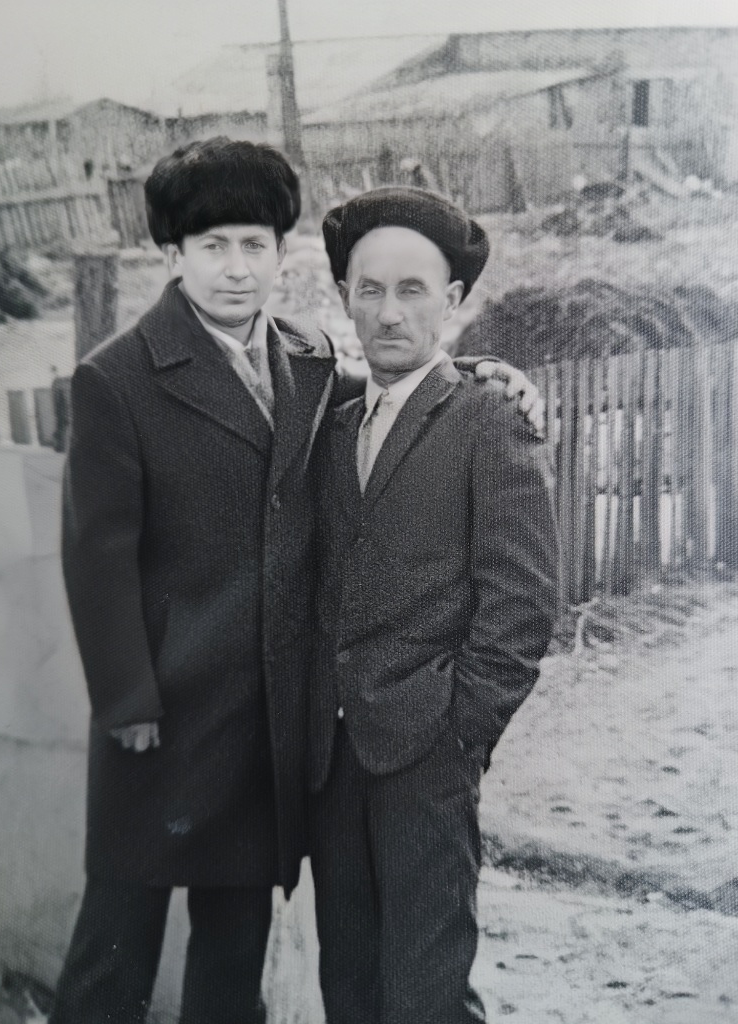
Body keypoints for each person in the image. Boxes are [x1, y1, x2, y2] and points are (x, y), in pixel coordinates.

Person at [52, 139, 540, 1024]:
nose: (236, 269)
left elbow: (402, 387)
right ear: (171, 254)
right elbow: (95, 554)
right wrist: (127, 702)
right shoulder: (117, 378)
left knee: (234, 954)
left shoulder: (306, 361)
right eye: (212, 247)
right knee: (115, 949)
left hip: (265, 728)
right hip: (161, 717)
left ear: (283, 254)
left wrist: (484, 375)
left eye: (255, 245)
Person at [308, 186, 561, 1024]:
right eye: (370, 290)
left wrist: (459, 735)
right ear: (344, 296)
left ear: (451, 300)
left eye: (412, 290)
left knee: (425, 989)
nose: (389, 312)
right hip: (334, 759)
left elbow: (523, 604)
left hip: (428, 753)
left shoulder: (489, 418)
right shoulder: (334, 421)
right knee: (349, 982)